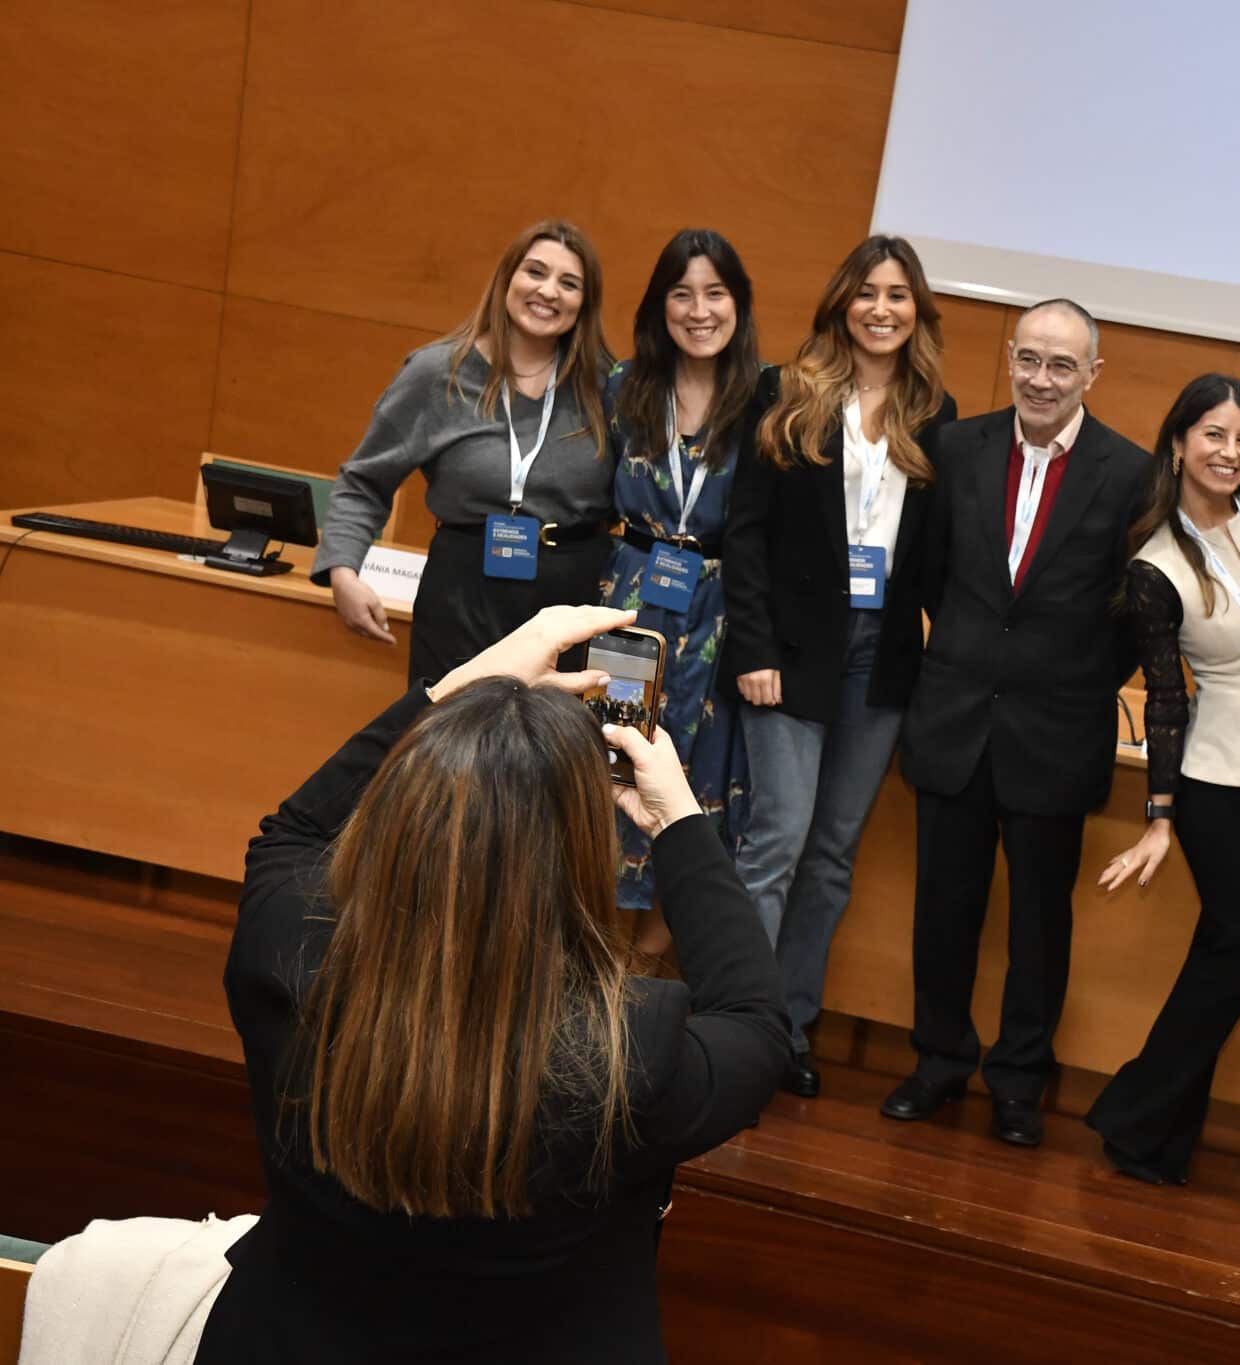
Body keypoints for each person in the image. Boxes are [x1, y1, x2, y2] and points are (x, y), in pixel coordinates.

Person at [197, 604, 788, 1364]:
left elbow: (294, 831)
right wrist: (675, 819)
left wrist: (461, 684)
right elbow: (756, 1021)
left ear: (396, 813)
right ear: (576, 855)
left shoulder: (284, 945)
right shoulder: (631, 1051)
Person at [884, 298, 1150, 1147]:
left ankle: (1019, 1082)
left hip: (1056, 731)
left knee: (1040, 924)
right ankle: (938, 1060)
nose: (1041, 378)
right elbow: (928, 576)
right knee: (942, 908)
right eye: (1029, 358)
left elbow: (1130, 618)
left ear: (1092, 374)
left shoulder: (1131, 473)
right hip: (955, 718)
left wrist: (1065, 680)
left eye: (1061, 364)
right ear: (1009, 359)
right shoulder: (956, 447)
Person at [722, 235, 956, 1097]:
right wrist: (751, 648)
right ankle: (735, 1026)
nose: (881, 309)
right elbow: (745, 532)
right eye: (867, 293)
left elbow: (935, 556)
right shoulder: (786, 393)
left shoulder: (935, 412)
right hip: (789, 651)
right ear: (841, 305)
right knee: (777, 840)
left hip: (880, 654)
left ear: (916, 311)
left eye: (897, 295)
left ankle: (788, 1028)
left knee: (829, 854)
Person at [1086, 374, 1240, 1185]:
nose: (1230, 452)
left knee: (1225, 950)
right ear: (1179, 442)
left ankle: (1157, 1136)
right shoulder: (1154, 564)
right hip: (1219, 776)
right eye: (1214, 435)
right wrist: (1159, 813)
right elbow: (1164, 696)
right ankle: (1132, 1108)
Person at [314, 221, 615, 684]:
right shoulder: (439, 373)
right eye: (535, 272)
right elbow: (364, 482)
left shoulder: (605, 386)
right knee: (455, 730)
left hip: (571, 602)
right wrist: (343, 571)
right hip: (461, 594)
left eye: (569, 283)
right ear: (507, 278)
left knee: (554, 733)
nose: (548, 291)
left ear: (585, 302)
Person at [598, 228, 771, 943]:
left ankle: (647, 983)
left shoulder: (767, 398)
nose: (699, 311)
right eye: (682, 294)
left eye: (715, 293)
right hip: (629, 610)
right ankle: (598, 977)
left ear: (739, 303)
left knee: (695, 796)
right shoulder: (624, 385)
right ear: (659, 305)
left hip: (722, 615)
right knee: (613, 780)